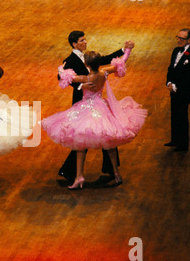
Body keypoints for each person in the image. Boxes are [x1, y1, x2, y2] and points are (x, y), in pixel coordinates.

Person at [42, 48, 147, 189]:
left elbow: (64, 76)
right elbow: (120, 63)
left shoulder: (86, 78)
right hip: (102, 108)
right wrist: (127, 51)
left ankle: (79, 177)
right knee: (109, 144)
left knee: (80, 146)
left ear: (87, 64)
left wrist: (61, 66)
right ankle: (116, 173)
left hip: (86, 110)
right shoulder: (104, 73)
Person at [57, 30, 135, 183]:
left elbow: (66, 75)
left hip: (90, 105)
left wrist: (122, 49)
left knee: (93, 138)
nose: (85, 42)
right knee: (97, 137)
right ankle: (75, 171)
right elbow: (61, 78)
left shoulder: (87, 66)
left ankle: (78, 173)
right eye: (82, 40)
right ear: (74, 43)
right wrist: (126, 52)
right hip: (82, 103)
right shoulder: (73, 60)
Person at [165, 28, 190, 152]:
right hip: (173, 89)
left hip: (184, 91)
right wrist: (169, 83)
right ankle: (175, 139)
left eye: (182, 38)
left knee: (182, 116)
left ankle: (183, 144)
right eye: (178, 37)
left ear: (189, 40)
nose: (179, 40)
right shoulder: (176, 50)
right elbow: (171, 68)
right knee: (174, 114)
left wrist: (176, 86)